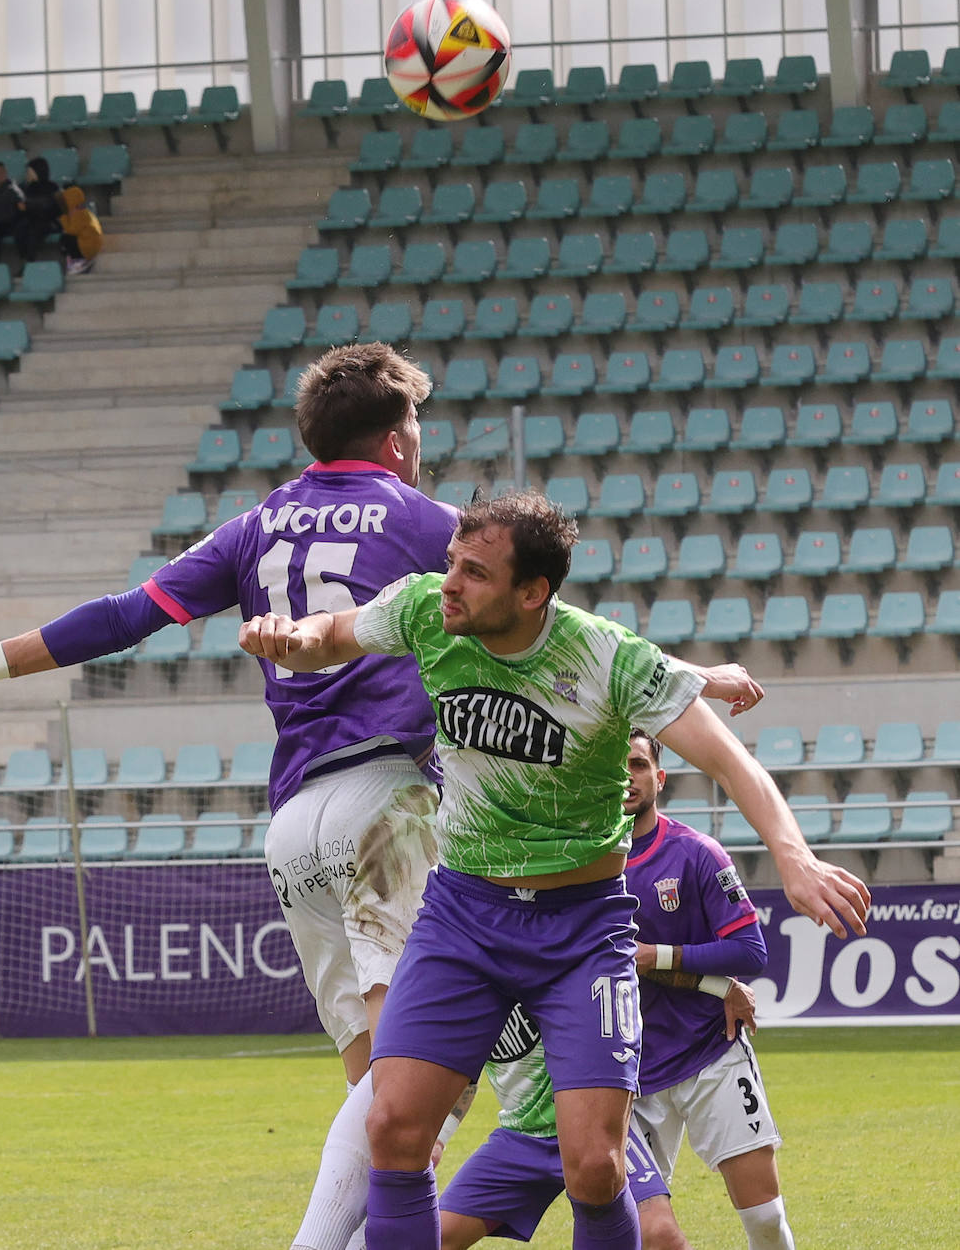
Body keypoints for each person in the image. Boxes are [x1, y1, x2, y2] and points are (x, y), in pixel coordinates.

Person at [0, 342, 458, 1250]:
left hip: (296, 825)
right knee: (426, 1087)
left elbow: (123, 615)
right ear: (393, 441)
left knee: (375, 1093)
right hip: (386, 803)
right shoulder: (430, 523)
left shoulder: (255, 525)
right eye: (415, 424)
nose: (420, 440)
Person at [239, 491, 871, 1250]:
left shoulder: (609, 658)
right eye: (450, 565)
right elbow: (332, 633)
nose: (449, 583)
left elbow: (729, 760)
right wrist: (290, 635)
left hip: (580, 929)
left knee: (595, 1168)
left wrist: (793, 859)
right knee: (393, 1127)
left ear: (531, 593)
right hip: (462, 913)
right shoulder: (424, 613)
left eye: (473, 572)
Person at [624, 731, 796, 1250]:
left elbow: (751, 950)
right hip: (626, 1073)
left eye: (635, 763)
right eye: (613, 765)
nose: (624, 776)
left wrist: (663, 956)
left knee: (765, 1219)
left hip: (709, 1055)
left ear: (660, 777)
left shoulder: (697, 853)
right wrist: (715, 984)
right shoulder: (578, 869)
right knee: (647, 1234)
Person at [437, 983, 756, 1250]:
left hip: (594, 1125)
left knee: (660, 1234)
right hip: (523, 1137)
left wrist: (722, 986)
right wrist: (439, 1139)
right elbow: (465, 1073)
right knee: (434, 1238)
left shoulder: (549, 951)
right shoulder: (464, 986)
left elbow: (635, 956)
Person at [14, 156, 62, 266]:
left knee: (34, 231)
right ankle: (24, 259)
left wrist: (29, 206)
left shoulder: (51, 187)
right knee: (20, 228)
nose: (28, 174)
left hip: (48, 221)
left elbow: (50, 207)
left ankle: (30, 262)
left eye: (30, 171)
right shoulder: (28, 188)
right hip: (31, 219)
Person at [58, 184, 103, 274]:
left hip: (87, 247)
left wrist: (63, 217)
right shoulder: (85, 213)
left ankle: (78, 262)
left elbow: (71, 230)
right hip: (90, 244)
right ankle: (75, 261)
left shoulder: (80, 214)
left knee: (66, 239)